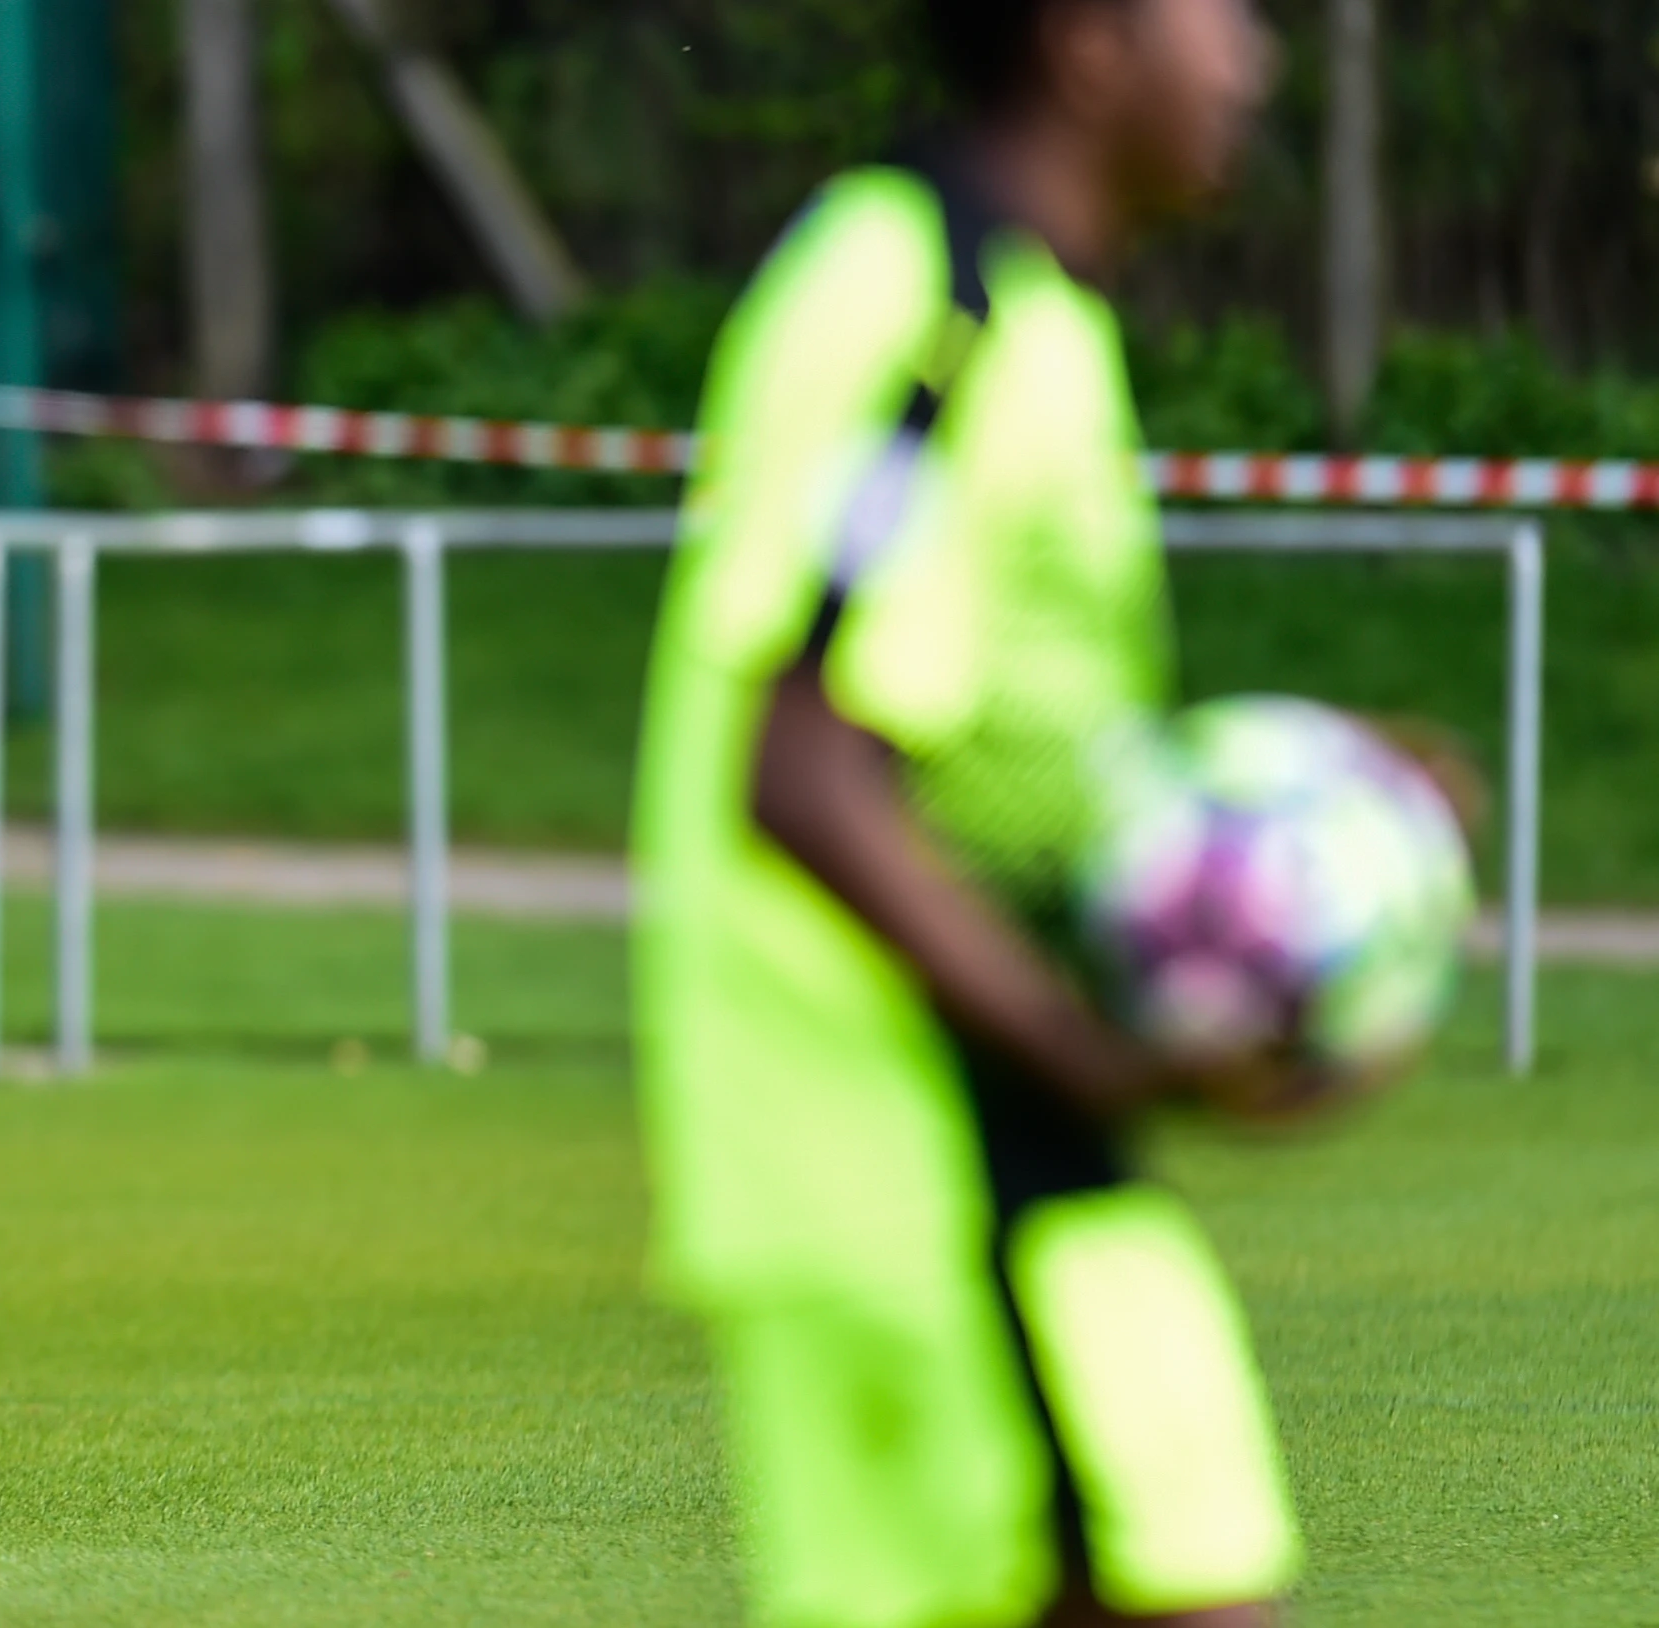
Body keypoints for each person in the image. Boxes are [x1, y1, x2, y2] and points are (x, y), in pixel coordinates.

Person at [631, 2, 1293, 1624]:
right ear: (1082, 42)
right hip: (919, 1162)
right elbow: (800, 771)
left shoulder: (1010, 305)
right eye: (1217, 15)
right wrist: (1096, 1051)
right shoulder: (940, 307)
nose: (1251, 62)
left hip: (990, 1153)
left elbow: (983, 746)